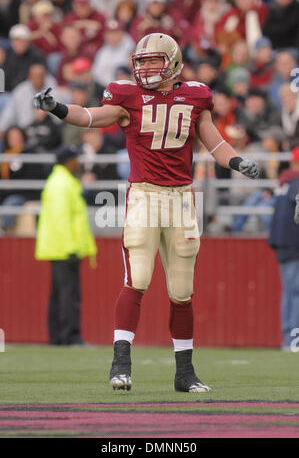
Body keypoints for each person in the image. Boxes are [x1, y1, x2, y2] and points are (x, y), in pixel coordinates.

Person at [34, 33, 259, 392]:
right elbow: (93, 116)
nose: (146, 68)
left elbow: (213, 140)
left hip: (183, 198)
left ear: (173, 62)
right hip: (144, 196)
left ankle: (184, 373)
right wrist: (58, 108)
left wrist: (237, 161)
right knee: (137, 278)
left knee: (182, 290)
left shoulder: (196, 95)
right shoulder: (127, 96)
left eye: (154, 61)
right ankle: (120, 364)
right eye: (141, 61)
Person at [35, 145, 97, 345]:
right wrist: (71, 249)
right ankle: (70, 336)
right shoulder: (62, 184)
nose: (78, 163)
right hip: (64, 249)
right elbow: (61, 220)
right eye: (75, 159)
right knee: (68, 295)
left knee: (59, 294)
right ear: (68, 161)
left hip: (59, 247)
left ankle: (58, 337)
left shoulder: (61, 181)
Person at [268, 146, 299, 350]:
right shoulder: (296, 184)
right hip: (293, 244)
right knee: (295, 292)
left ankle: (287, 338)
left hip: (281, 244)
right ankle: (293, 339)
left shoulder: (284, 182)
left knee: (289, 292)